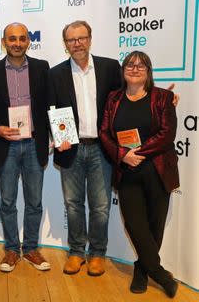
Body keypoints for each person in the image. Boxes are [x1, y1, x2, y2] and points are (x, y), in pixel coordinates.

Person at [99, 51, 179, 298]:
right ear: (123, 71)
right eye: (130, 65)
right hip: (127, 173)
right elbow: (104, 133)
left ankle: (142, 270)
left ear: (149, 71)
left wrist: (138, 152)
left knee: (155, 226)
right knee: (135, 225)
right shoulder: (113, 99)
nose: (135, 69)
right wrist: (122, 155)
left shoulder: (163, 97)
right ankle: (162, 275)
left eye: (140, 65)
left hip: (157, 170)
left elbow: (167, 134)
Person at [48, 20, 122, 276]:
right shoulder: (55, 73)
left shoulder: (111, 68)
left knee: (101, 206)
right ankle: (77, 251)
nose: (77, 43)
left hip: (102, 148)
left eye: (81, 38)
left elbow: (128, 98)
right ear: (65, 44)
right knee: (73, 204)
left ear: (90, 39)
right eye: (71, 40)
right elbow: (52, 110)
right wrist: (59, 136)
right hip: (71, 148)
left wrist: (163, 99)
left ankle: (98, 253)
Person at [0, 22, 51, 272]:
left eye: (22, 38)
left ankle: (31, 249)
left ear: (29, 41)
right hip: (6, 145)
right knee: (7, 201)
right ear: (4, 42)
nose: (17, 43)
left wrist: (61, 132)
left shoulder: (42, 68)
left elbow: (52, 104)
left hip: (34, 143)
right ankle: (11, 250)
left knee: (34, 201)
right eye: (12, 39)